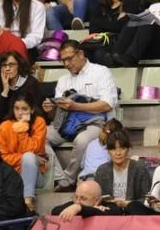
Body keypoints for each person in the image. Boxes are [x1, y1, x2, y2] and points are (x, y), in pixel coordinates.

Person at [43, 40, 117, 190]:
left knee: (82, 140)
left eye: (69, 58)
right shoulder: (63, 80)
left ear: (81, 54)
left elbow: (107, 104)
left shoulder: (101, 71)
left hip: (95, 123)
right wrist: (50, 109)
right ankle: (59, 177)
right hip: (66, 123)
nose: (66, 64)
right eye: (63, 60)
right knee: (39, 135)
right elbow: (55, 116)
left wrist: (77, 106)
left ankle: (68, 180)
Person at [0, 95, 47, 213]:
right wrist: (25, 158)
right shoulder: (4, 126)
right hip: (11, 175)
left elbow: (32, 149)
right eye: (16, 108)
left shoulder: (39, 122)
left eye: (24, 109)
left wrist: (22, 130)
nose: (20, 113)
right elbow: (1, 157)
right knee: (28, 157)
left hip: (35, 175)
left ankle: (27, 198)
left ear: (32, 110)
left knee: (28, 157)